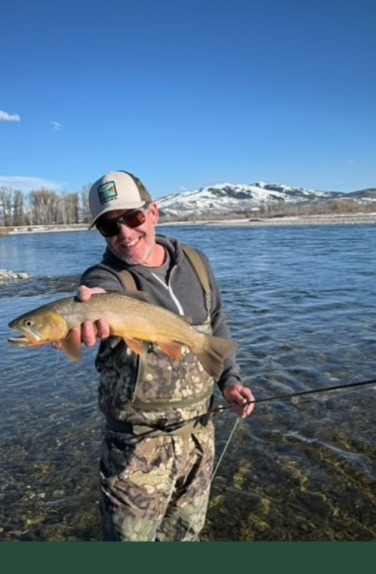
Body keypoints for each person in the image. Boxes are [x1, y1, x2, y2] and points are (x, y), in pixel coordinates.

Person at [65, 170, 255, 541]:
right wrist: (92, 309)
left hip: (200, 435)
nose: (124, 233)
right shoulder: (106, 277)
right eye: (108, 226)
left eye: (133, 218)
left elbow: (215, 325)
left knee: (185, 537)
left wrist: (230, 381)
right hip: (136, 450)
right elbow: (96, 293)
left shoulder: (197, 264)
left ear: (154, 213)